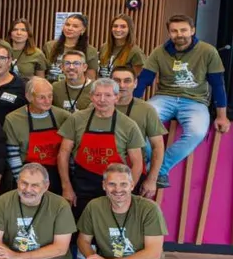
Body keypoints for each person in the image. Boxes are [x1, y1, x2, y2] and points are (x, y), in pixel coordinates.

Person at [135, 14, 229, 186]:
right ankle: (156, 167)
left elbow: (217, 84)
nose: (179, 34)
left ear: (192, 30)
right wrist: (131, 105)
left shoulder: (208, 51)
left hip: (195, 101)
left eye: (184, 30)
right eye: (174, 31)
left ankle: (158, 168)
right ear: (169, 33)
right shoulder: (159, 51)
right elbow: (144, 80)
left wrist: (222, 116)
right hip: (164, 97)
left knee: (197, 132)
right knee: (138, 120)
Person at [57, 79, 146, 217]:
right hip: (82, 186)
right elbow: (63, 154)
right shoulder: (77, 119)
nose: (102, 100)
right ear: (91, 97)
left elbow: (137, 163)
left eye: (108, 95)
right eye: (97, 95)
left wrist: (126, 192)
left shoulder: (128, 125)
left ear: (116, 97)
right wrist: (66, 187)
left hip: (115, 187)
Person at [3, 78, 71, 194]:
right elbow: (12, 154)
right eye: (42, 97)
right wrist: (23, 182)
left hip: (56, 174)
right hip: (27, 174)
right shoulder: (13, 119)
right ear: (29, 97)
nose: (47, 101)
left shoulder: (63, 116)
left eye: (50, 96)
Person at [112, 67, 165, 199]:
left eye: (127, 81)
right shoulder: (97, 106)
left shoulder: (146, 110)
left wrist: (152, 179)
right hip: (98, 170)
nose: (122, 85)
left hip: (132, 172)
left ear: (135, 83)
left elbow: (158, 146)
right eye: (117, 81)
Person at [44, 13, 99, 82]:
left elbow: (90, 78)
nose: (69, 28)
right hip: (51, 85)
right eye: (67, 25)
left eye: (75, 26)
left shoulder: (90, 51)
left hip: (77, 87)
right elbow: (42, 71)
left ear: (83, 30)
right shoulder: (49, 46)